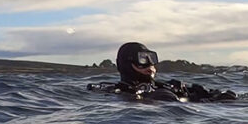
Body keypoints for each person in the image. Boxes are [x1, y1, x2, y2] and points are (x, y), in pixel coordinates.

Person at [88, 42, 237, 102]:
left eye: (152, 58)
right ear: (127, 62)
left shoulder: (167, 86)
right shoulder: (113, 91)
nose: (150, 64)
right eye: (143, 59)